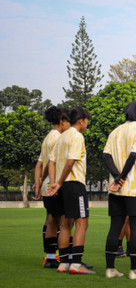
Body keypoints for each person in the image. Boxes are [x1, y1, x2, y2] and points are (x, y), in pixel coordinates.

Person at [102, 101, 136, 279]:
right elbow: (134, 154)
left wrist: (116, 176)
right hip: (134, 187)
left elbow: (106, 155)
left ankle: (110, 268)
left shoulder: (115, 131)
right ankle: (135, 270)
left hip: (115, 188)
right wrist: (123, 176)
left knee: (115, 226)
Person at [45, 107, 93, 275]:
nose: (87, 124)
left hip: (62, 186)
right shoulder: (76, 135)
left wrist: (54, 182)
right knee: (82, 223)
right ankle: (76, 264)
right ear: (81, 120)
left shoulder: (61, 137)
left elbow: (51, 162)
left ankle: (63, 264)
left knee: (65, 224)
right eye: (87, 120)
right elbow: (71, 161)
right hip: (74, 183)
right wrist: (58, 182)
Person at [33, 106, 70, 269]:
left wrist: (39, 182)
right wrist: (49, 181)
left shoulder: (48, 137)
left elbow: (39, 163)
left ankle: (49, 258)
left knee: (51, 220)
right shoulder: (57, 138)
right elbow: (49, 163)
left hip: (47, 186)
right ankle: (65, 257)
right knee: (64, 221)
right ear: (62, 121)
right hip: (54, 185)